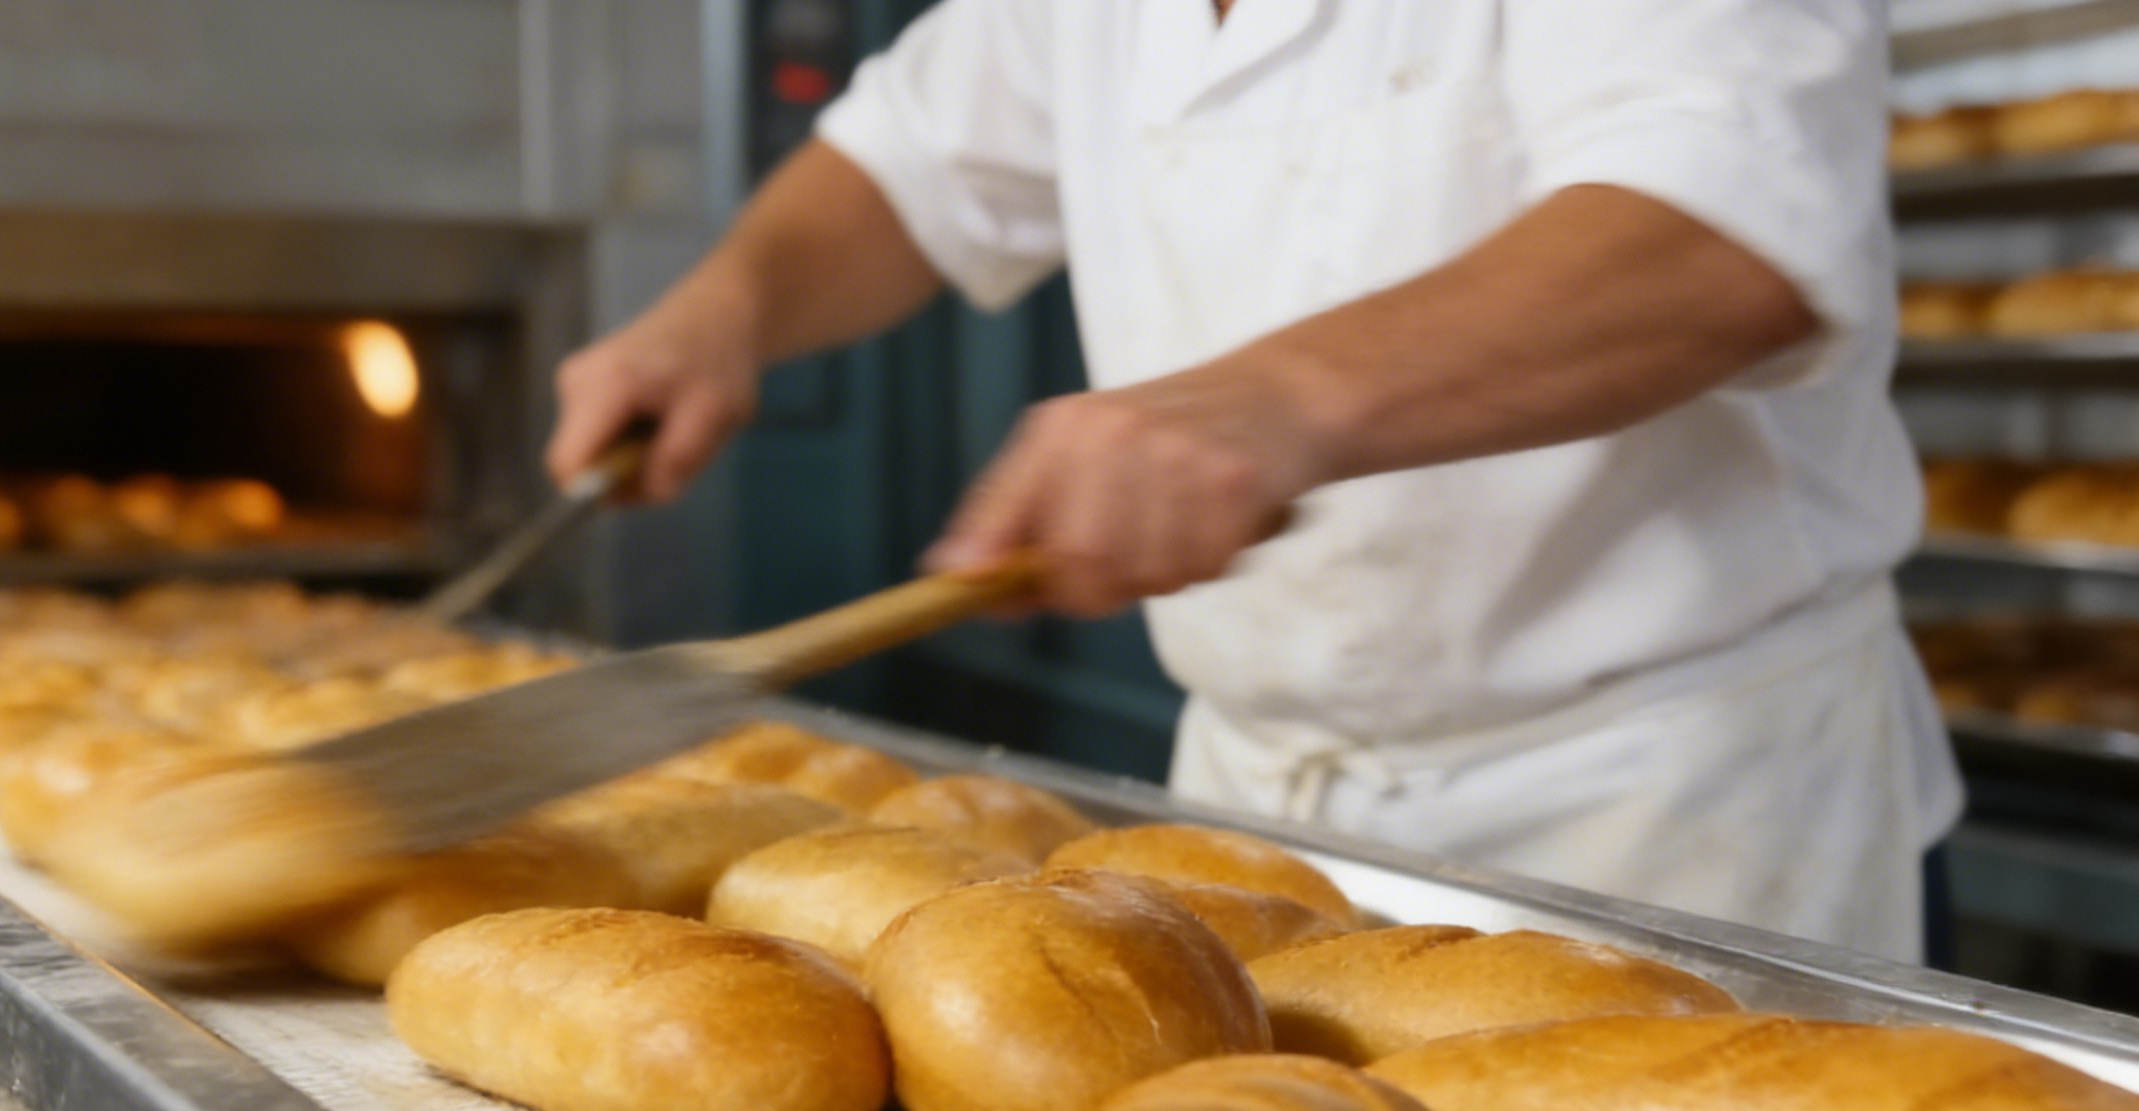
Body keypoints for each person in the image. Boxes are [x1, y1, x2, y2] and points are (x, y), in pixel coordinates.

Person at [546, 0, 1958, 963]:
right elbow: (906, 162)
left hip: (1657, 818)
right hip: (1256, 802)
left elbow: (1722, 243)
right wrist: (720, 310)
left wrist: (1277, 400)